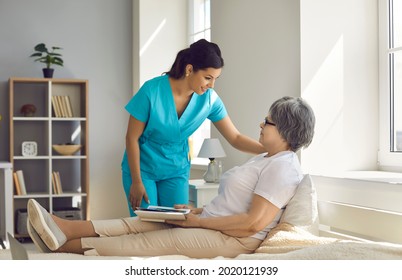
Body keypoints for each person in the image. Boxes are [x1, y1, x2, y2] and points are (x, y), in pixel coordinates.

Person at [27, 96, 315, 258]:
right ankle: (64, 227)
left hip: (235, 240)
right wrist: (196, 210)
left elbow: (252, 224)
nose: (261, 124)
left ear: (287, 131)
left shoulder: (283, 167)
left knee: (143, 243)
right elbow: (235, 204)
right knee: (143, 220)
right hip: (213, 224)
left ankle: (64, 246)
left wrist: (201, 222)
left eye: (268, 121)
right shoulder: (266, 158)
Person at [122, 39, 266, 216]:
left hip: (176, 169)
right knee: (145, 225)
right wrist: (136, 182)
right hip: (142, 169)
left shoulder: (210, 100)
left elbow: (234, 137)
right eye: (208, 78)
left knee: (177, 224)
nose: (211, 85)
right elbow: (131, 138)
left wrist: (267, 150)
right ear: (189, 69)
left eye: (215, 79)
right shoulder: (152, 91)